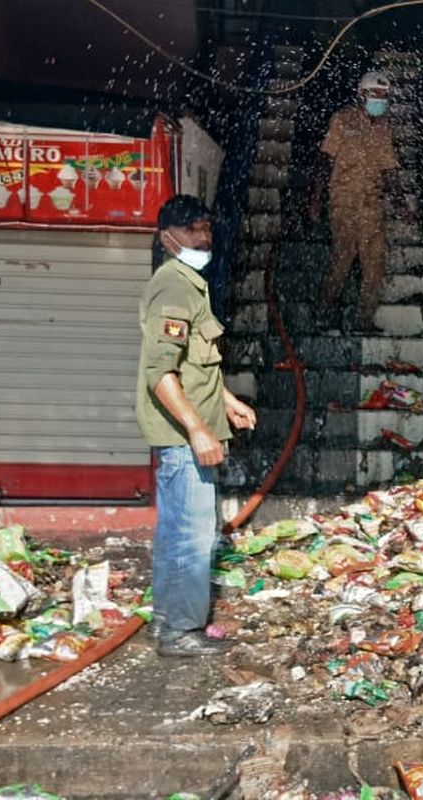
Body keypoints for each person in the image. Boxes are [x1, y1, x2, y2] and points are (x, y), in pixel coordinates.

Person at [135, 194, 256, 657]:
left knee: (175, 532)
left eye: (207, 228)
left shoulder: (189, 283)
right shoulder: (173, 288)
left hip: (191, 432)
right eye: (193, 230)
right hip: (184, 438)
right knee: (194, 534)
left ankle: (167, 621)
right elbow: (159, 374)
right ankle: (180, 632)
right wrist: (198, 430)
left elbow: (193, 364)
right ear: (168, 238)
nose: (204, 238)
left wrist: (225, 403)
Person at [309, 71, 400, 332]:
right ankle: (323, 312)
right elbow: (324, 159)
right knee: (342, 259)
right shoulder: (342, 120)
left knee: (376, 263)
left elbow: (390, 167)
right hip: (344, 202)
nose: (380, 101)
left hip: (372, 206)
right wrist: (315, 198)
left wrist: (399, 200)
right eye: (376, 95)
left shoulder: (384, 127)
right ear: (362, 95)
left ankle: (363, 320)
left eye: (384, 97)